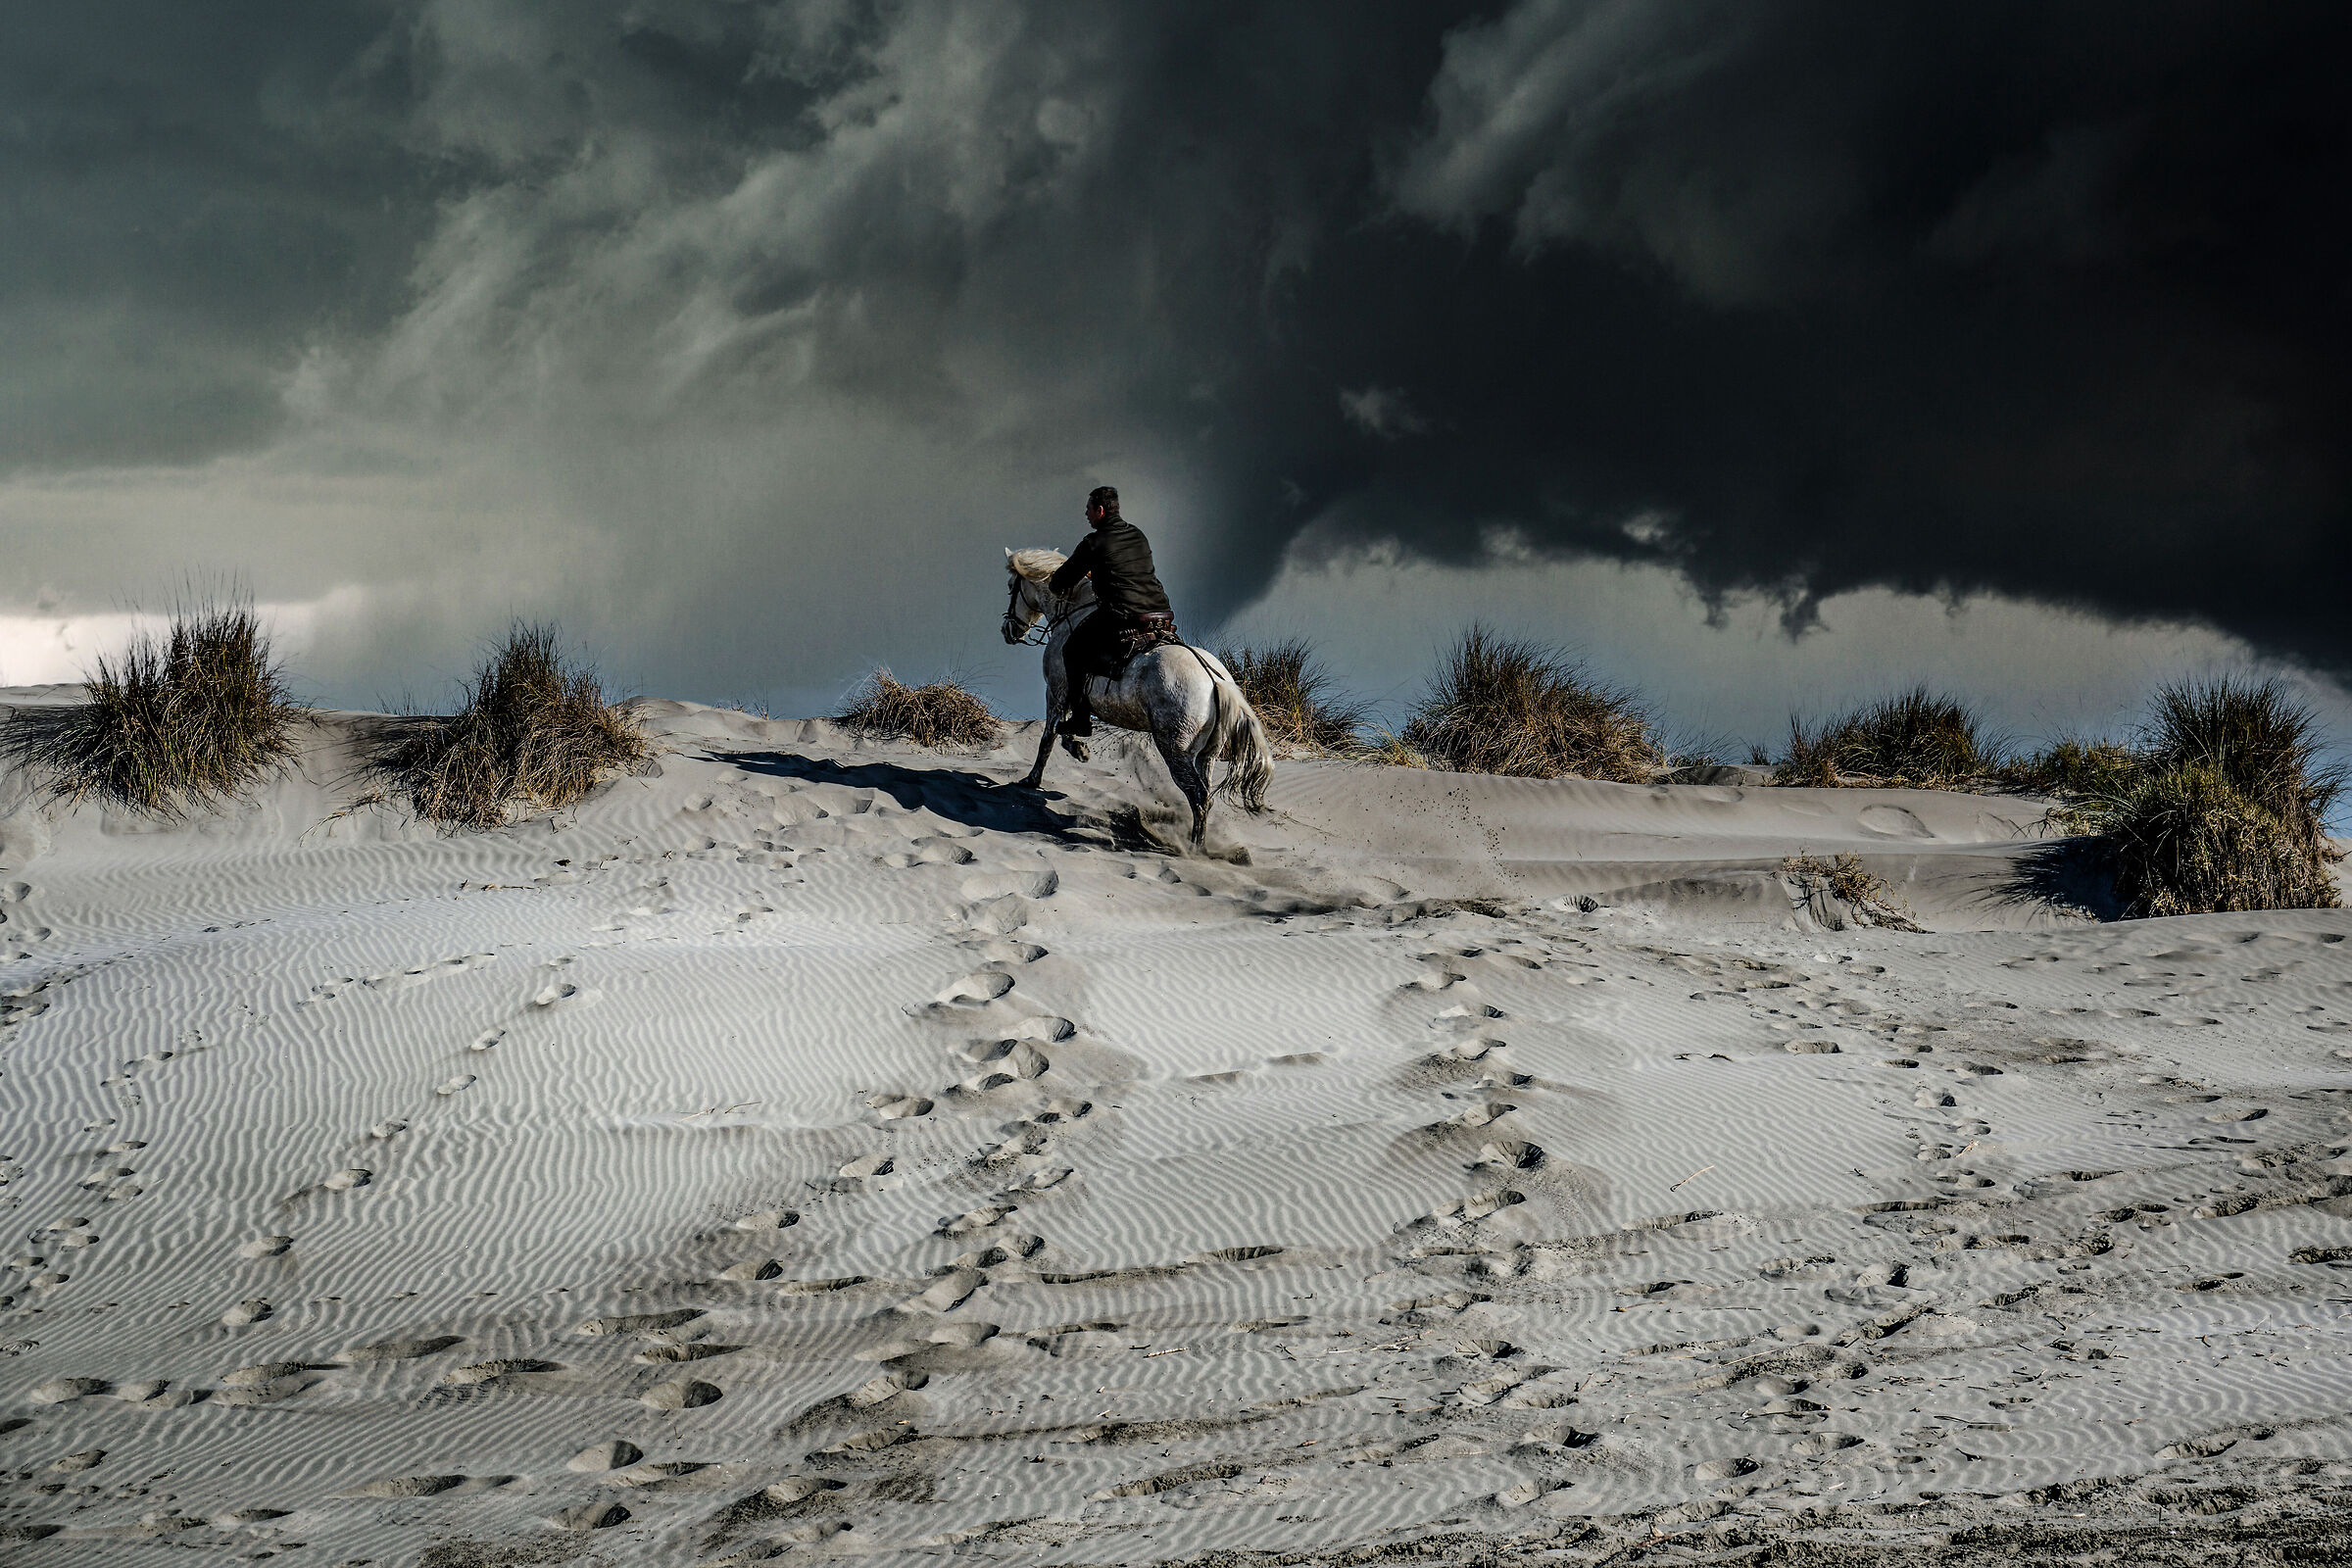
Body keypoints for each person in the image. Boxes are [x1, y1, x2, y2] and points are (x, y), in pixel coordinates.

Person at [1049, 485, 1173, 737]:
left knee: (1071, 650)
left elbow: (1060, 581)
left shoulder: (1093, 543)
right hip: (1162, 611)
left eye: (1089, 509)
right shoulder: (1138, 535)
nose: (1086, 514)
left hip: (1123, 614)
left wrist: (1059, 582)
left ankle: (1080, 719)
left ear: (1100, 510)